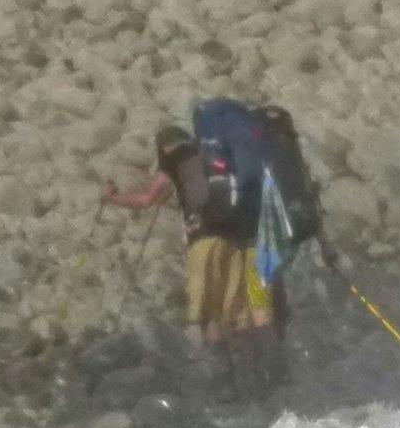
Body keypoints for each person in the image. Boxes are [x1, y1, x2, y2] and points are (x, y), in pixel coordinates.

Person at [102, 121, 277, 365]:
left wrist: (113, 198)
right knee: (238, 314)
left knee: (208, 314)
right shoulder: (211, 156)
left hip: (204, 240)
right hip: (236, 238)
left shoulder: (174, 157)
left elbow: (147, 199)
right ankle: (267, 372)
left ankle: (225, 384)